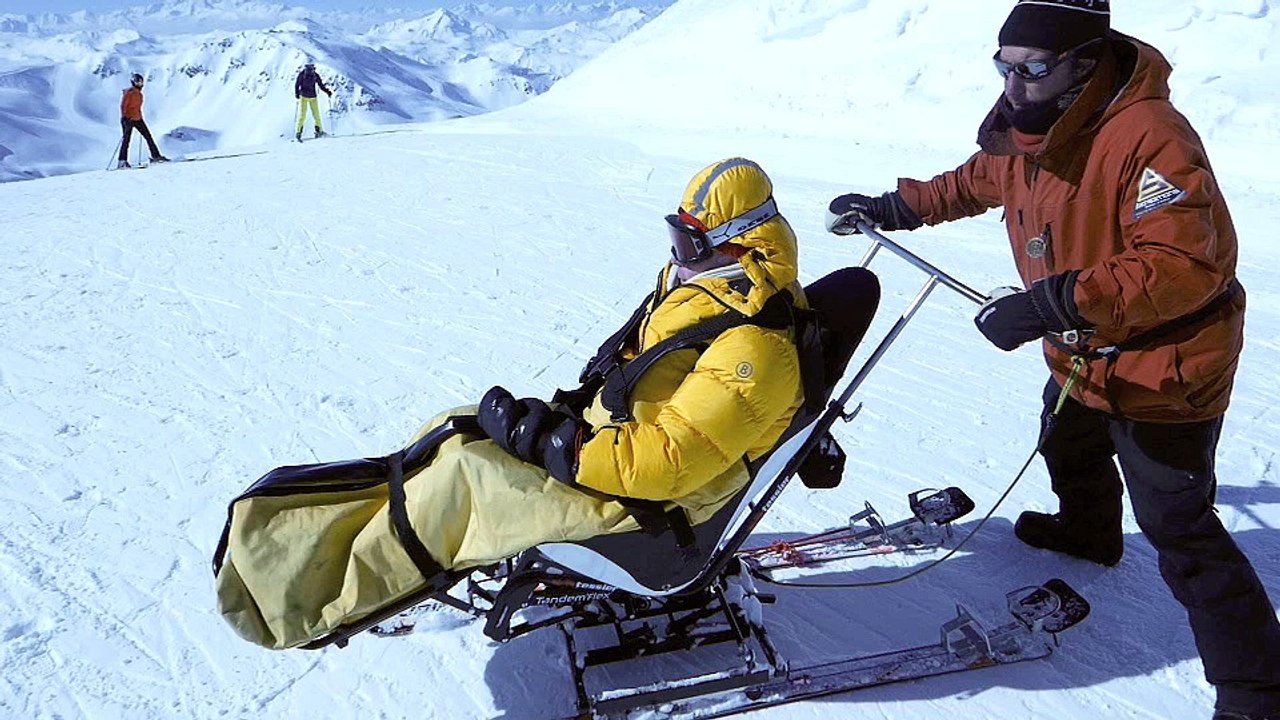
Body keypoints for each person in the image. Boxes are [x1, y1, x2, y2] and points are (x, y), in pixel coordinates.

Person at [824, 2, 1280, 718]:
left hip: (1164, 364)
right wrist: (894, 208)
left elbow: (1185, 264)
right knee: (1067, 440)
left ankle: (1257, 685)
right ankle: (1088, 532)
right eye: (1004, 66)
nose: (1013, 85)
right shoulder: (1033, 124)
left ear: (1085, 63)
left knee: (1178, 525)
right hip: (1082, 349)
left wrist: (1052, 302)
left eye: (1032, 68)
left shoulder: (1150, 135)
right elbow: (974, 181)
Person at [216, 158, 815, 649]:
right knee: (455, 430)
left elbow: (667, 465)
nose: (676, 255)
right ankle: (318, 541)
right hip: (613, 456)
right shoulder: (712, 294)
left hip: (652, 508)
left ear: (741, 247)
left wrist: (559, 446)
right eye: (674, 237)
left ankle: (315, 599)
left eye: (689, 242)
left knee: (466, 476)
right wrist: (560, 426)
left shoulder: (755, 349)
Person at [117, 73, 168, 169]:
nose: (140, 83)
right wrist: (126, 117)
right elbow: (123, 106)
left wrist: (140, 116)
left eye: (141, 82)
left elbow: (137, 107)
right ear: (133, 82)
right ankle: (122, 162)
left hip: (137, 118)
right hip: (128, 119)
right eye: (138, 82)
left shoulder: (139, 94)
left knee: (148, 136)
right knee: (126, 140)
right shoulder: (129, 92)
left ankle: (156, 156)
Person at [294, 62, 332, 141]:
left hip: (304, 96)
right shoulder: (315, 75)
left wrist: (297, 93)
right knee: (316, 115)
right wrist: (327, 91)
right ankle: (319, 131)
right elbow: (321, 85)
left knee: (302, 115)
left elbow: (297, 84)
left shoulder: (302, 74)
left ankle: (298, 133)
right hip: (312, 97)